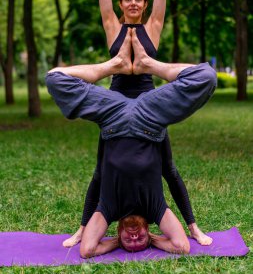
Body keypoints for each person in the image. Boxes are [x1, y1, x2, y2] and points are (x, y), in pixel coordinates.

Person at [62, 0, 213, 249]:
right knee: (102, 170)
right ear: (121, 4)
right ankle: (81, 229)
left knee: (168, 168)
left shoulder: (152, 29)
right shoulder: (112, 28)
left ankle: (194, 227)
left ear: (144, 6)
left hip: (149, 105)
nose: (133, 2)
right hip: (114, 105)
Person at [46, 28, 217, 257]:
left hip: (112, 115)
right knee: (207, 77)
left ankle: (114, 65)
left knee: (55, 79)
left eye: (129, 241)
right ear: (149, 231)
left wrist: (85, 231)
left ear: (118, 232)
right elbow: (180, 245)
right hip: (150, 115)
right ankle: (148, 63)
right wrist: (193, 229)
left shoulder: (109, 209)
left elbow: (87, 249)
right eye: (141, 239)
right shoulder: (155, 209)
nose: (133, 236)